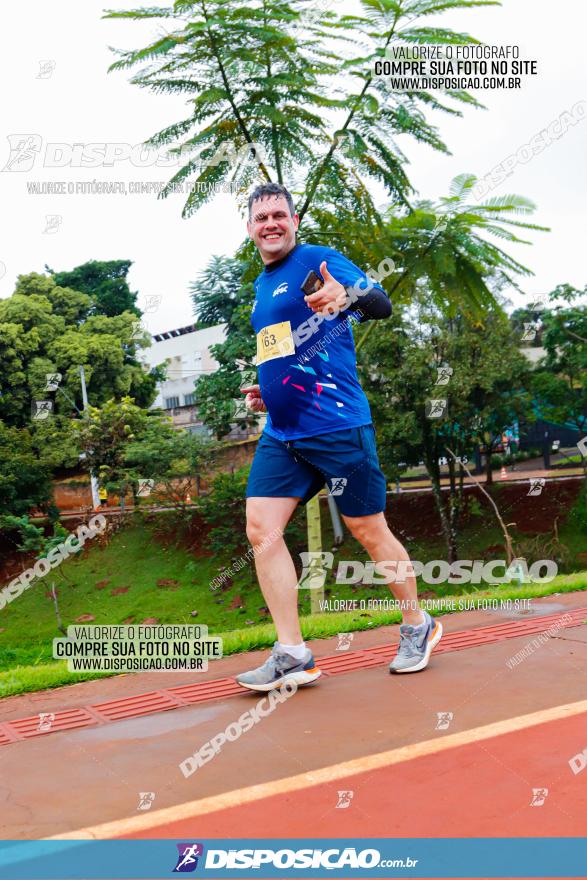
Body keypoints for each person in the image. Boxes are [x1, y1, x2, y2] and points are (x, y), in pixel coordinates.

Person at [235, 183, 442, 692]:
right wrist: (268, 389)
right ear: (249, 228)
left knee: (367, 529)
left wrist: (346, 295)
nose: (271, 224)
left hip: (336, 425)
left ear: (294, 219)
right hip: (283, 433)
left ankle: (419, 625)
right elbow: (280, 348)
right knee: (261, 529)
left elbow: (380, 303)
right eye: (261, 218)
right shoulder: (264, 287)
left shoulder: (319, 260)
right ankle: (292, 654)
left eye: (279, 215)